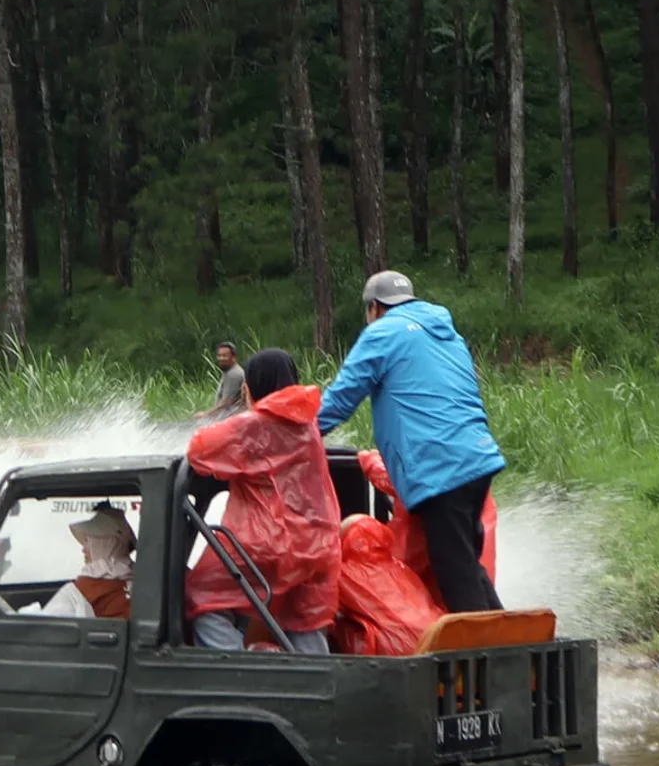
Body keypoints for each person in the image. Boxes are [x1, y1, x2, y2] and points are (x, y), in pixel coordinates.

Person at [315, 270, 505, 615]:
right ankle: (518, 646)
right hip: (478, 461)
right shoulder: (447, 334)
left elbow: (340, 400)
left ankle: (488, 659)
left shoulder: (382, 333)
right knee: (467, 566)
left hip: (440, 468)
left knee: (456, 577)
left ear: (373, 307)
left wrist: (296, 434)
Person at [185, 348, 341, 652]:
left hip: (266, 543)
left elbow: (199, 450)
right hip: (318, 545)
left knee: (202, 597)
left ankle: (242, 675)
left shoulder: (253, 426)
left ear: (254, 384)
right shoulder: (309, 427)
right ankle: (318, 681)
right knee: (303, 619)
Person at [39, 502, 136, 619]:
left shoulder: (76, 594)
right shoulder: (147, 584)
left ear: (103, 544)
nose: (84, 550)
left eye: (88, 541)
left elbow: (43, 629)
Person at [199, 341, 248, 421]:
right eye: (219, 355)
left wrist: (206, 414)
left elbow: (226, 403)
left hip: (232, 421)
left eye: (225, 356)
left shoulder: (233, 374)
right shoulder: (229, 372)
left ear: (233, 357)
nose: (221, 358)